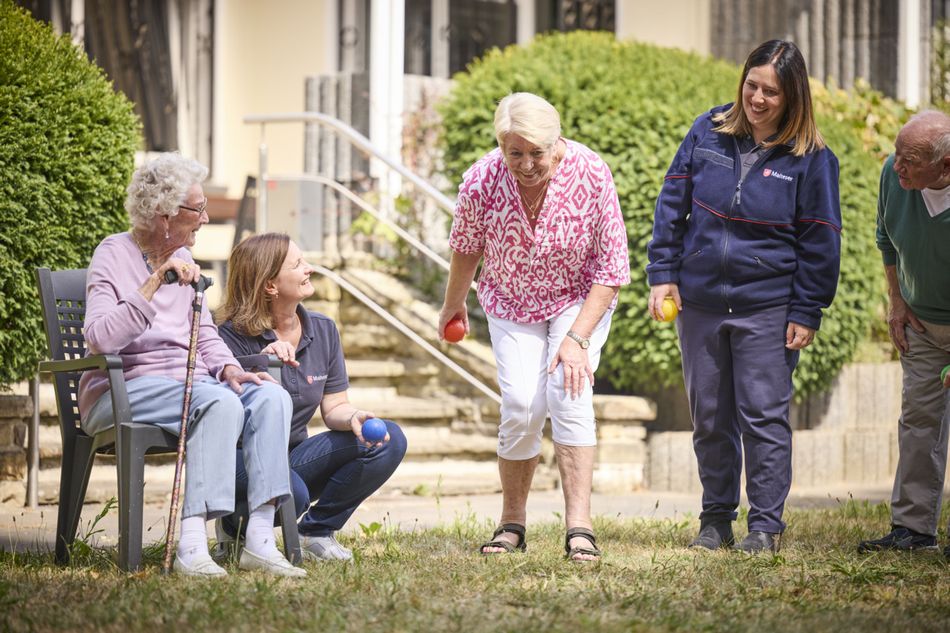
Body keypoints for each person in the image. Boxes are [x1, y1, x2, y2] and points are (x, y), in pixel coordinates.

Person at [646, 40, 841, 554]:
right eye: (751, 85)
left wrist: (806, 309)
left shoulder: (812, 159)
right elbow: (673, 204)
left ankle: (766, 526)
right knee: (709, 417)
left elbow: (821, 238)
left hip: (768, 307)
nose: (757, 98)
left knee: (762, 418)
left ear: (793, 97)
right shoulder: (706, 130)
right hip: (701, 301)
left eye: (770, 91)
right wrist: (662, 273)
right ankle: (715, 520)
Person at [78, 153, 305, 577]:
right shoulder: (113, 253)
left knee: (270, 396)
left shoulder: (184, 256)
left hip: (194, 385)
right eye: (197, 209)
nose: (204, 218)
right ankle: (192, 544)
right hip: (123, 388)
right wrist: (154, 281)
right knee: (219, 403)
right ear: (164, 215)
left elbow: (203, 335)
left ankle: (258, 538)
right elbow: (100, 338)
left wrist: (228, 369)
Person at [438, 92, 630, 562]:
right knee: (523, 405)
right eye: (514, 152)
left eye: (535, 153)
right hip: (511, 299)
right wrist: (453, 305)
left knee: (568, 393)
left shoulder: (591, 172)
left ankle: (580, 527)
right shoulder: (482, 179)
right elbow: (467, 247)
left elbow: (611, 268)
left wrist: (577, 339)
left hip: (578, 299)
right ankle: (512, 523)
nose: (525, 164)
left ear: (556, 141)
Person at [216, 233, 407, 561]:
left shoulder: (323, 329)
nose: (310, 269)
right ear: (270, 286)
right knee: (296, 494)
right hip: (238, 457)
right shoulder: (227, 335)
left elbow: (333, 406)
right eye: (298, 264)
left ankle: (316, 532)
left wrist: (353, 417)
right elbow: (225, 414)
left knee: (389, 439)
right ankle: (234, 527)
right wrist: (262, 363)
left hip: (292, 453)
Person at [857, 110, 950, 556]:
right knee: (919, 421)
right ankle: (913, 529)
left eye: (908, 159)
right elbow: (886, 240)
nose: (897, 167)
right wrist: (896, 300)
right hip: (924, 325)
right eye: (896, 154)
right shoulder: (894, 179)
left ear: (946, 165)